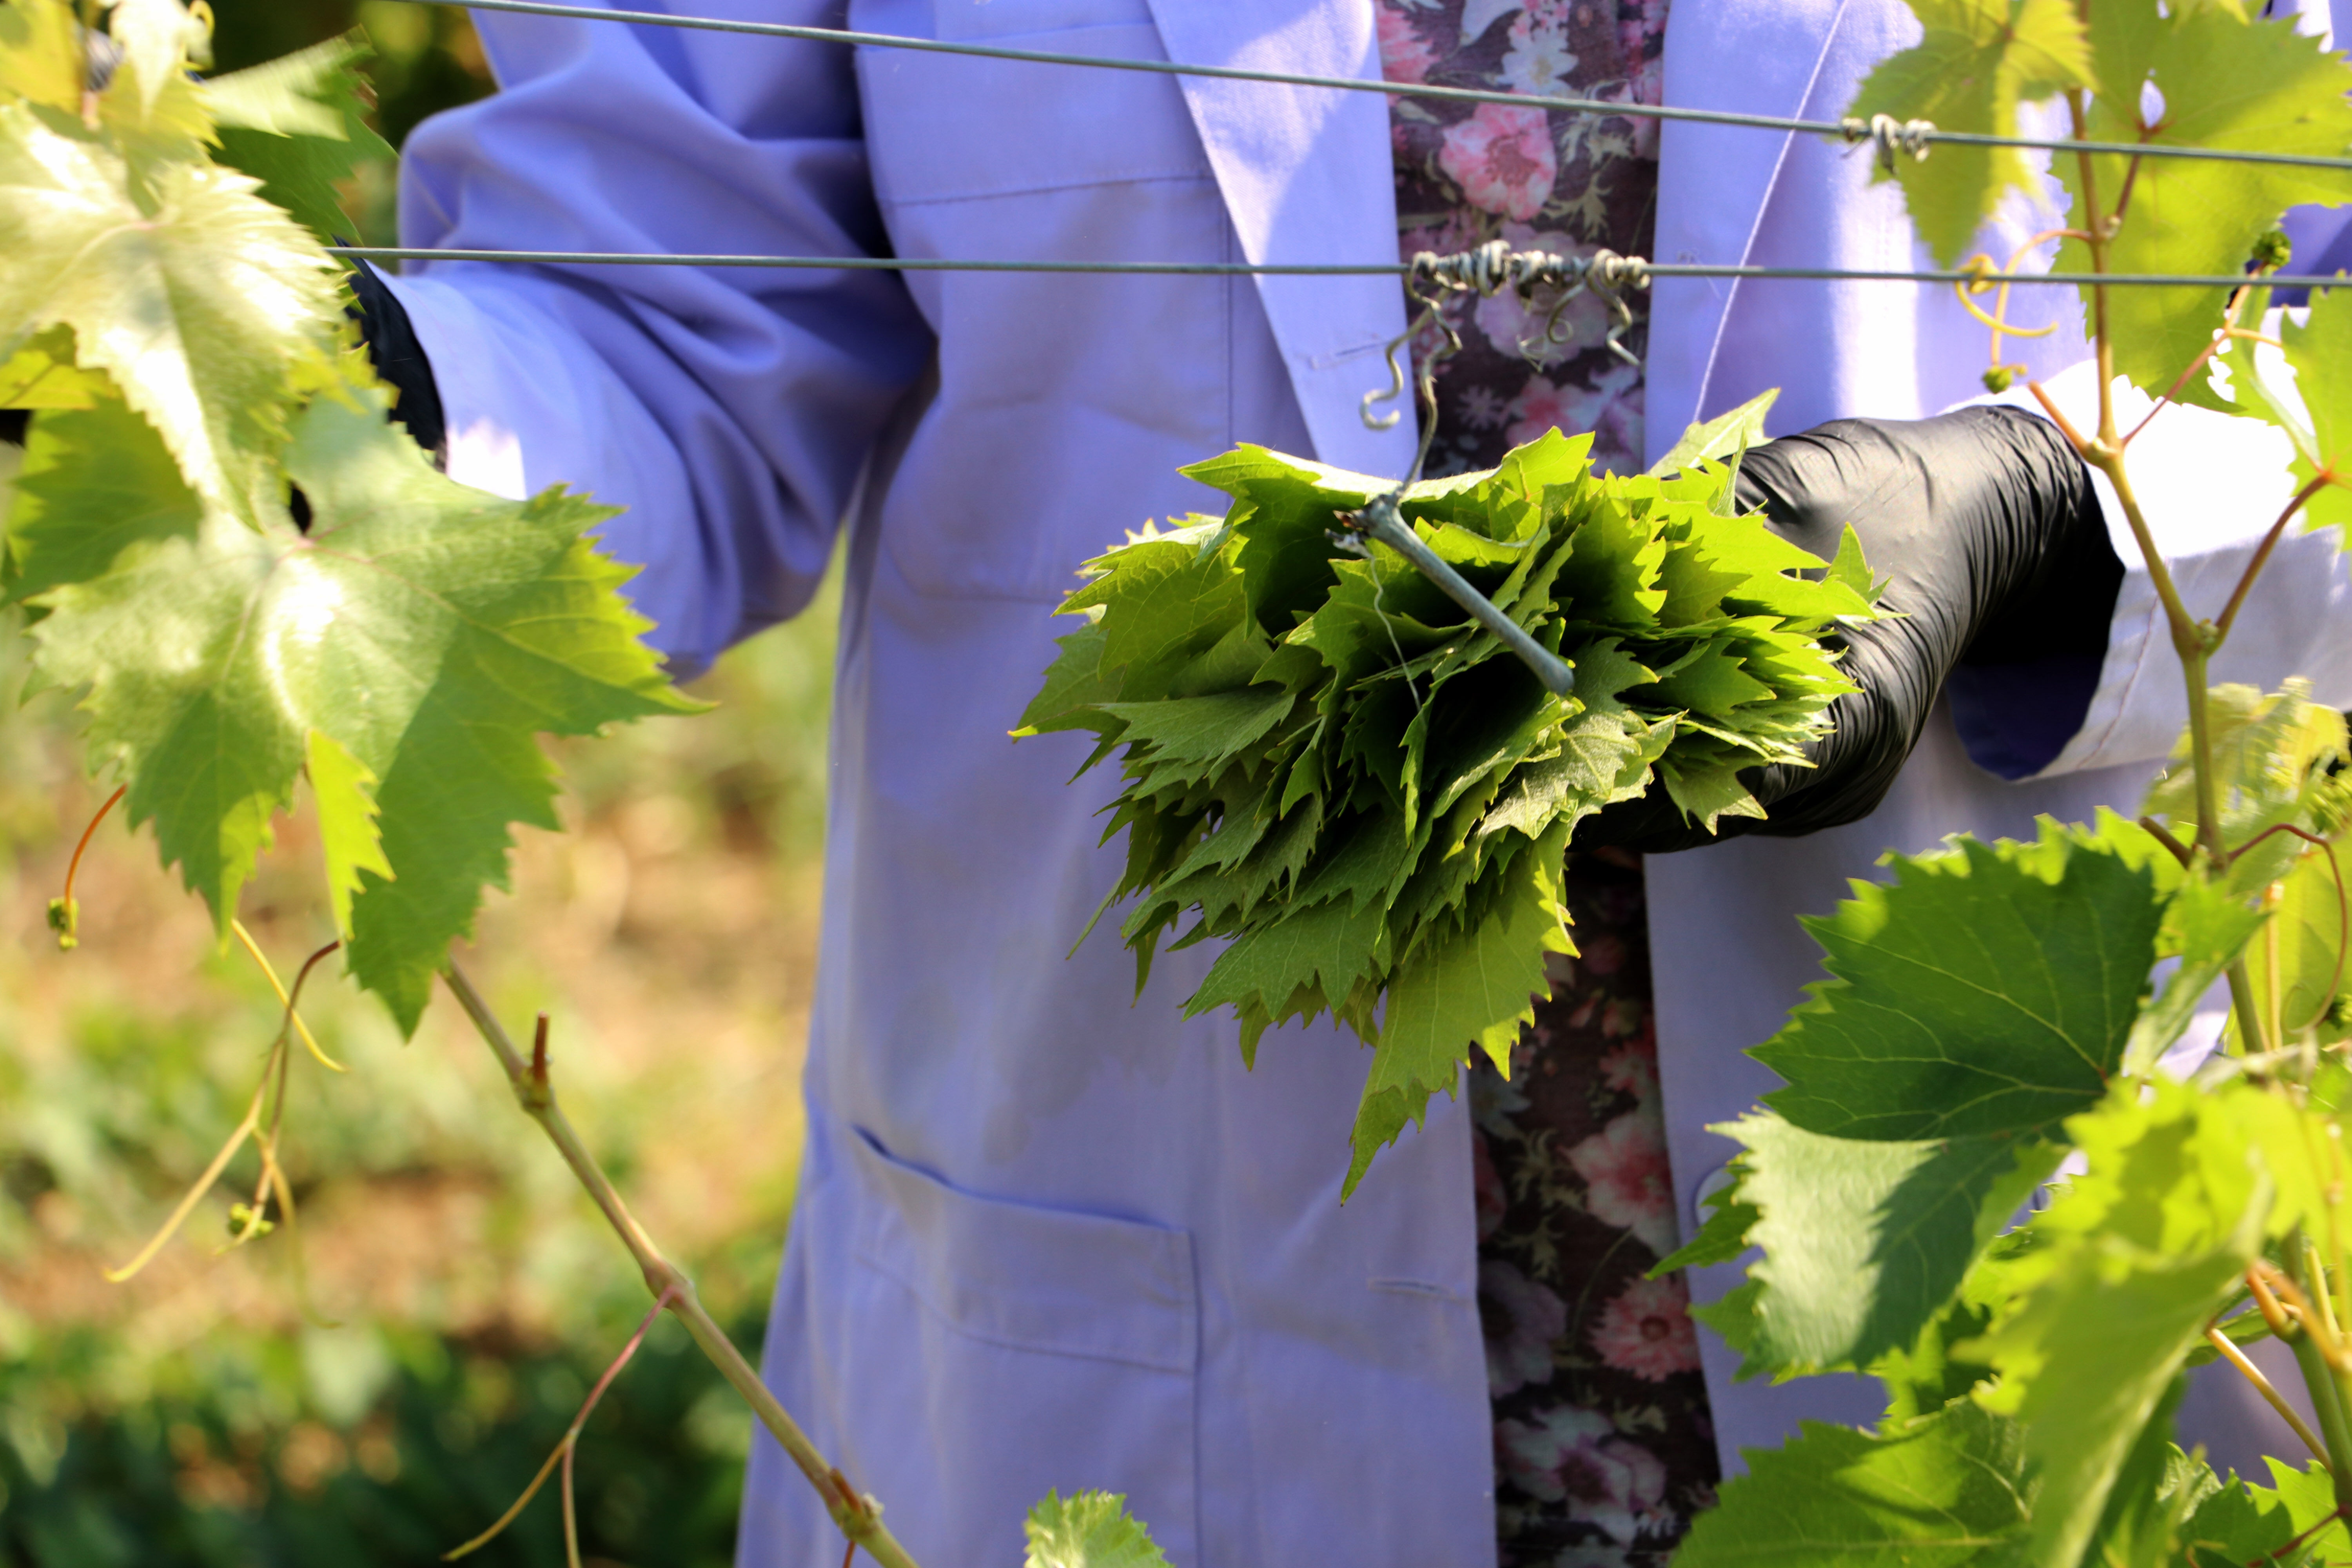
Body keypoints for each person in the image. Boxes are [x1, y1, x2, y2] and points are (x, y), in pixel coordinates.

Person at [348, 1, 2352, 1563]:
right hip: (1124, 1266)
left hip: (2016, 1272)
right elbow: (667, 321)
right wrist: (362, 413)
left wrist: (2072, 526)